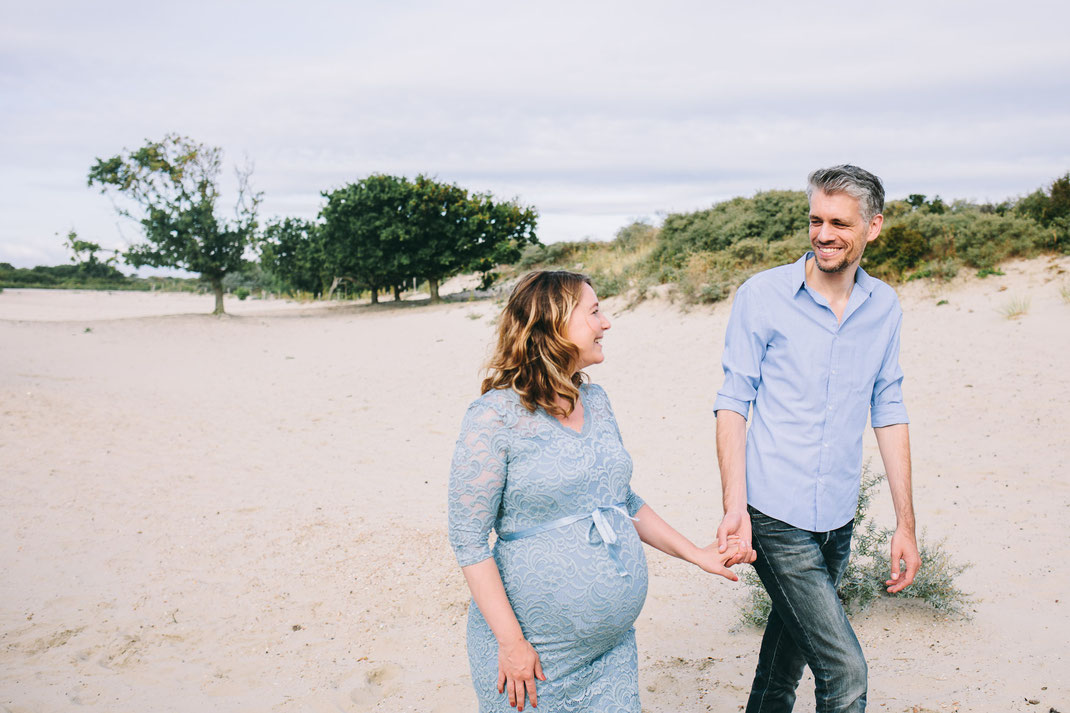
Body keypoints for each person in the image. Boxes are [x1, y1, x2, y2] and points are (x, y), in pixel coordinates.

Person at [449, 270, 752, 712]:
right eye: (593, 312)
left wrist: (697, 554)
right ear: (552, 324)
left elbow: (621, 501)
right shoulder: (494, 418)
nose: (606, 322)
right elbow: (468, 540)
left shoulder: (597, 401)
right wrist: (512, 643)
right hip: (534, 657)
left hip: (611, 653)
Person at [713, 165, 921, 713]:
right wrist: (735, 506)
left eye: (839, 222)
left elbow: (889, 409)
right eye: (815, 220)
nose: (823, 234)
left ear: (873, 227)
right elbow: (733, 404)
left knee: (784, 664)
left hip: (836, 517)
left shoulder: (885, 307)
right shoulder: (762, 296)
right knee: (845, 671)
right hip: (774, 513)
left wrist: (906, 525)